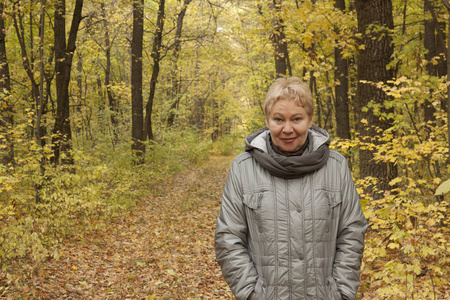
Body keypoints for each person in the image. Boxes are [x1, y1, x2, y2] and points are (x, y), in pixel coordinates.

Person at [214, 76, 367, 300]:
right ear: (267, 120)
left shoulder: (336, 166)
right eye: (278, 119)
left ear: (310, 119)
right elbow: (228, 238)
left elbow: (352, 232)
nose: (287, 129)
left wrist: (341, 292)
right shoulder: (243, 169)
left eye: (296, 119)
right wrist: (251, 293)